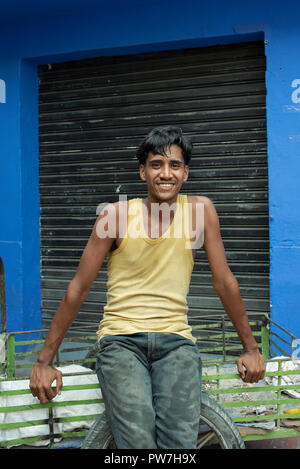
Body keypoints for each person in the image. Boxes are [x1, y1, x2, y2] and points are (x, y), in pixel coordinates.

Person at [30, 126, 265, 449]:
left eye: (174, 166)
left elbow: (224, 282)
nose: (165, 174)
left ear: (185, 172)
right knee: (137, 441)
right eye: (156, 165)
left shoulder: (200, 211)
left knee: (179, 443)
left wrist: (251, 348)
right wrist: (44, 361)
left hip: (177, 342)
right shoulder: (116, 215)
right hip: (120, 341)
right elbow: (78, 288)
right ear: (143, 172)